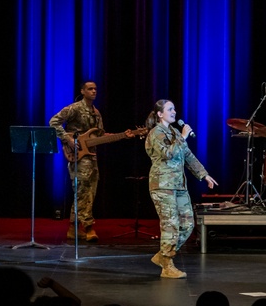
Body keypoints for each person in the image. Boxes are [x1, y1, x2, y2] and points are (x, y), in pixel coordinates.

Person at [49, 80, 139, 242]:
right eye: (90, 89)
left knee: (90, 191)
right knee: (83, 190)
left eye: (95, 89)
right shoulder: (75, 108)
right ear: (82, 91)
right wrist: (68, 140)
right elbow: (54, 122)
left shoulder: (96, 113)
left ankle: (73, 227)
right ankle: (88, 227)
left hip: (92, 156)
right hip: (78, 155)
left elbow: (100, 136)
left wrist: (123, 135)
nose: (93, 91)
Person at [145, 99, 217, 279]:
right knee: (170, 225)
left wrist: (203, 174)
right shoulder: (156, 133)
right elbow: (168, 154)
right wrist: (183, 137)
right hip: (162, 185)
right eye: (170, 109)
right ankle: (167, 265)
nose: (174, 112)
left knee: (188, 224)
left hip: (178, 185)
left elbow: (187, 155)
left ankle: (163, 255)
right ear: (160, 114)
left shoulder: (175, 132)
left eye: (174, 109)